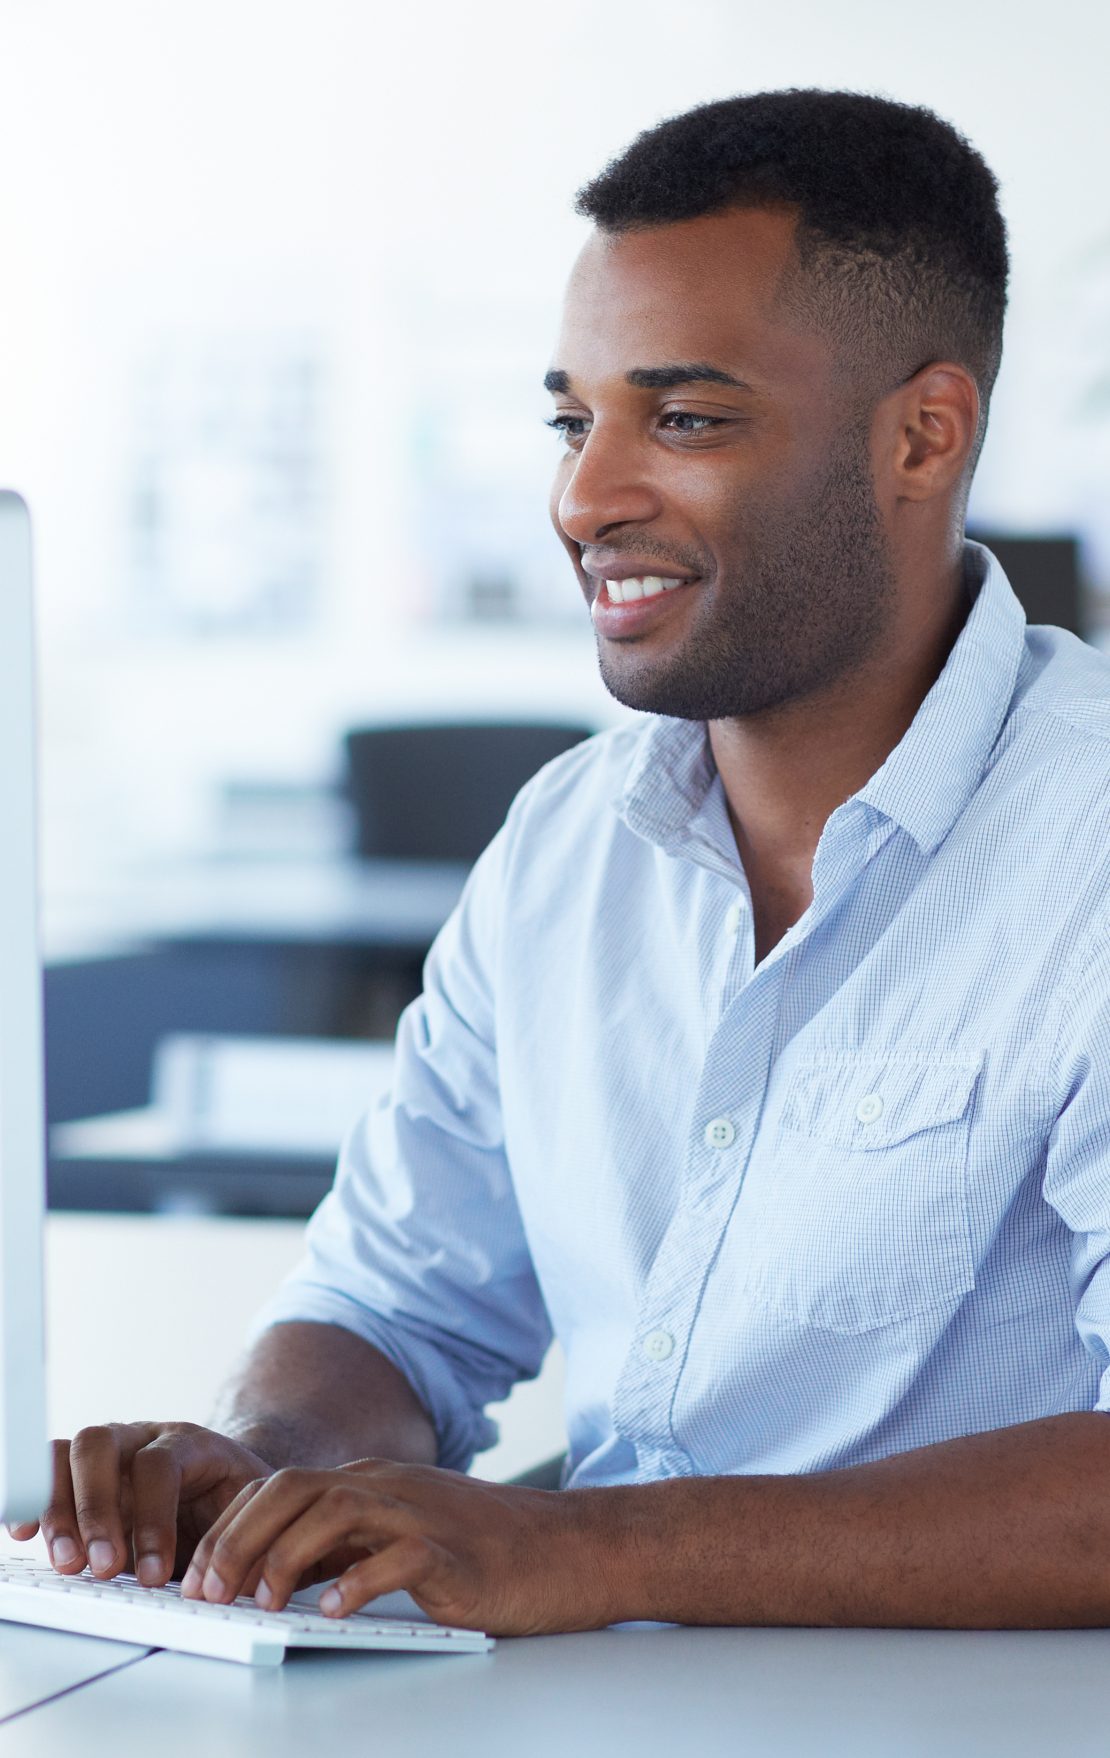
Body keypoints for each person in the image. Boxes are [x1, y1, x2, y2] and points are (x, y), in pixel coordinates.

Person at [15, 87, 1110, 1635]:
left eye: (684, 418)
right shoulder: (564, 845)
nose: (584, 497)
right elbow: (396, 1307)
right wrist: (268, 1469)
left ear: (920, 436)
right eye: (571, 416)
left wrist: (593, 1551)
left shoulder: (1086, 844)